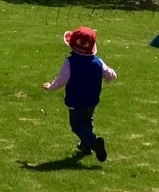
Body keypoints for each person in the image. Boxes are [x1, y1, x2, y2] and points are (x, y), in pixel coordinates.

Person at [43, 26, 117, 161]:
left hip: (76, 101)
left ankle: (93, 142)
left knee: (77, 125)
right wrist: (111, 77)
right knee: (87, 121)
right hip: (92, 100)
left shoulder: (70, 62)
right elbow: (110, 73)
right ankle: (85, 146)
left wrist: (50, 87)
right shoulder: (97, 61)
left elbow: (62, 80)